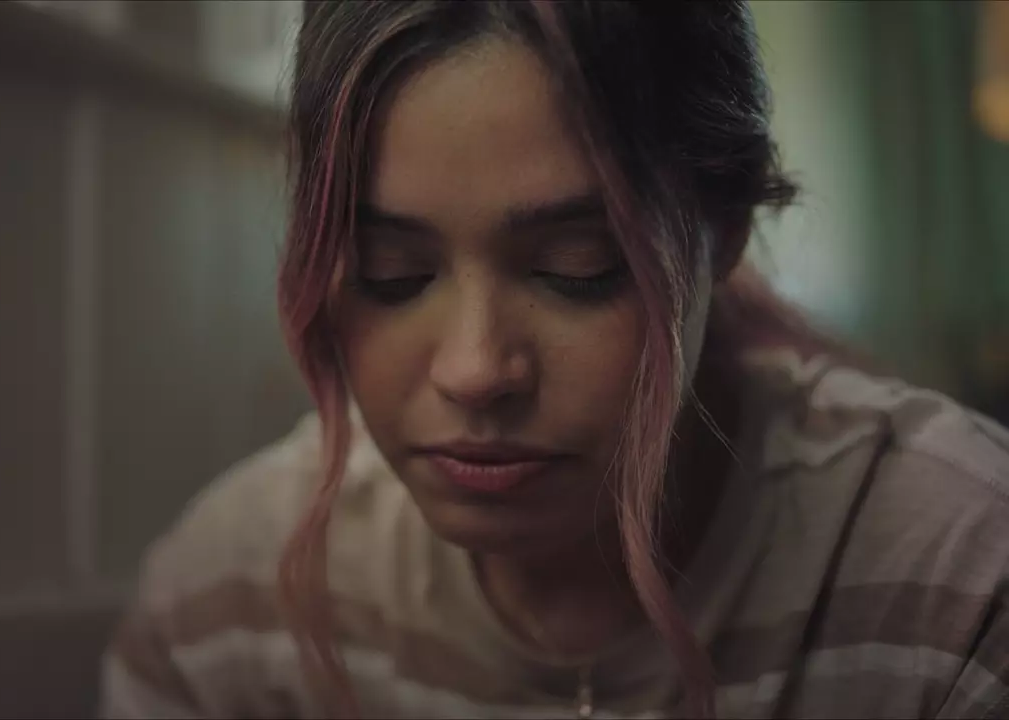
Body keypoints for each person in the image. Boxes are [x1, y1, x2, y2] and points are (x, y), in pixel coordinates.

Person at [100, 2, 1009, 718]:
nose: (474, 369)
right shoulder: (226, 609)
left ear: (721, 231)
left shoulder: (960, 580)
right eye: (392, 273)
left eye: (577, 268)